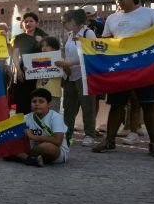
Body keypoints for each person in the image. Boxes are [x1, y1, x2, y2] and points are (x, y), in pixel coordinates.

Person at [93, 0, 154, 157]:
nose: (117, 1)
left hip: (144, 67)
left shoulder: (151, 14)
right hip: (121, 67)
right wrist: (86, 45)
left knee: (149, 104)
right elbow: (106, 43)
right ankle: (109, 141)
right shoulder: (112, 18)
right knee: (116, 105)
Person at [54, 9, 97, 146]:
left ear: (72, 21)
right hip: (70, 75)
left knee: (87, 106)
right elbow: (68, 54)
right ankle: (68, 134)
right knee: (69, 107)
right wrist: (65, 65)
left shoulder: (88, 33)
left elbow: (91, 54)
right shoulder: (69, 35)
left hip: (84, 76)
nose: (63, 25)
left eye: (64, 22)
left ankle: (89, 134)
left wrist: (69, 63)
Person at [12, 88, 69, 167]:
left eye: (41, 101)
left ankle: (25, 157)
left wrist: (33, 137)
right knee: (10, 144)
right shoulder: (26, 118)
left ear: (49, 104)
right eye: (34, 101)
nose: (37, 104)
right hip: (34, 150)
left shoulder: (56, 117)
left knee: (48, 147)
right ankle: (33, 160)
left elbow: (57, 141)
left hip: (56, 151)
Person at [11, 12, 48, 115]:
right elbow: (15, 55)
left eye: (31, 21)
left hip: (39, 73)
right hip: (23, 72)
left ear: (36, 23)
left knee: (38, 102)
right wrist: (18, 71)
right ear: (22, 24)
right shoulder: (19, 38)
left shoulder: (44, 37)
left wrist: (41, 42)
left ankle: (37, 124)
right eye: (25, 21)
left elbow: (49, 55)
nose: (28, 23)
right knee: (22, 102)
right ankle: (23, 124)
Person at [36, 36, 62, 113]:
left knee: (52, 116)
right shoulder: (37, 60)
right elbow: (32, 73)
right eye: (42, 46)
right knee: (40, 116)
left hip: (53, 94)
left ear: (54, 48)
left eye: (47, 46)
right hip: (39, 93)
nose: (44, 48)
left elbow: (67, 75)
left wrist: (66, 66)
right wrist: (27, 69)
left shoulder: (60, 60)